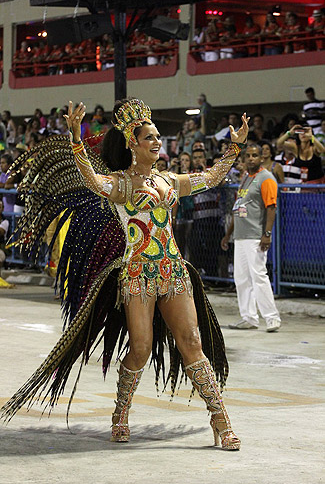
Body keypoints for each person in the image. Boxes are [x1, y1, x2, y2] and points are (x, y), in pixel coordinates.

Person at [1, 98, 249, 451]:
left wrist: (235, 147)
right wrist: (75, 139)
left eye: (159, 136)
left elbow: (210, 177)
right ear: (132, 142)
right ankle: (121, 413)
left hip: (174, 272)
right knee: (141, 347)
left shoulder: (169, 180)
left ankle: (220, 419)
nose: (157, 142)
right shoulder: (121, 185)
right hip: (137, 276)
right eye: (149, 137)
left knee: (192, 342)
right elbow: (89, 178)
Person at [221, 144, 281, 332]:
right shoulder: (246, 178)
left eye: (255, 155)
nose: (251, 159)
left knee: (258, 276)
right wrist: (228, 234)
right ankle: (249, 317)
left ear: (261, 158)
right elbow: (238, 207)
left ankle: (272, 318)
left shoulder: (267, 178)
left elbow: (271, 208)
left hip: (255, 235)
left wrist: (267, 234)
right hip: (240, 236)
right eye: (248, 156)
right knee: (241, 278)